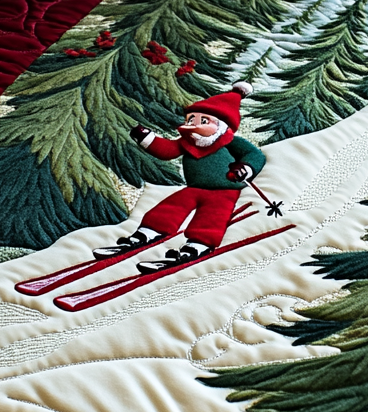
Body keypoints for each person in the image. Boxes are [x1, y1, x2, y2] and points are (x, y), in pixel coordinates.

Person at [92, 82, 266, 272]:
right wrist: (146, 138)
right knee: (171, 206)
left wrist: (246, 168)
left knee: (212, 217)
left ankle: (198, 246)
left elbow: (254, 155)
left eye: (203, 120)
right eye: (191, 119)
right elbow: (166, 150)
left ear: (220, 125)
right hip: (194, 188)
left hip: (224, 190)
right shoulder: (186, 142)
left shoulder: (230, 141)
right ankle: (147, 233)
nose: (193, 125)